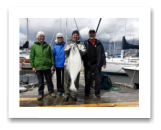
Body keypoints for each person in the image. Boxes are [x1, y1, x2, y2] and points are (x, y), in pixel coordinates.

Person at [30, 31, 56, 100]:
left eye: (43, 36)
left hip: (47, 66)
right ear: (38, 37)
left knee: (49, 80)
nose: (42, 37)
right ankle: (40, 93)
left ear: (44, 37)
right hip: (38, 67)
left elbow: (51, 56)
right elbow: (32, 57)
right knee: (40, 81)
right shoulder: (34, 46)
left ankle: (51, 91)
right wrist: (33, 66)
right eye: (40, 36)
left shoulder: (48, 46)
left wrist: (52, 65)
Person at [82, 29, 106, 99]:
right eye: (90, 33)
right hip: (88, 64)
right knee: (87, 79)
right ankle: (87, 93)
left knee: (97, 80)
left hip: (97, 64)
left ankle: (97, 93)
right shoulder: (85, 43)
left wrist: (104, 63)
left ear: (95, 34)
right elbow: (82, 53)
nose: (91, 34)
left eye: (93, 33)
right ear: (88, 34)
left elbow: (102, 54)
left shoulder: (99, 43)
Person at [63, 30, 86, 101]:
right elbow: (65, 51)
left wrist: (77, 48)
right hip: (68, 64)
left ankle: (73, 94)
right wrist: (72, 47)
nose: (75, 36)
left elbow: (84, 52)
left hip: (77, 65)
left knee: (75, 80)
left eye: (77, 35)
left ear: (78, 36)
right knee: (67, 80)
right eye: (74, 35)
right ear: (72, 36)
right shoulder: (68, 43)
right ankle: (67, 94)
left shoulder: (82, 44)